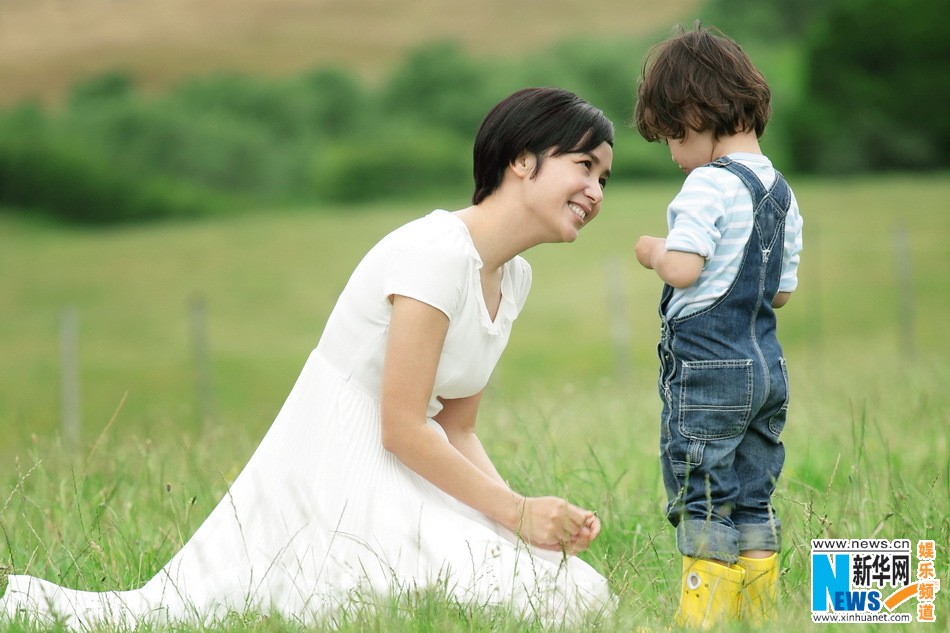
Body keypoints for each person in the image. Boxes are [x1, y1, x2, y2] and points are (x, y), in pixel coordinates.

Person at [0, 87, 616, 630]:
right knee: (536, 601)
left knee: (574, 591)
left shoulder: (513, 277)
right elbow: (402, 427)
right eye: (584, 167)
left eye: (605, 180)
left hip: (409, 465)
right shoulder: (436, 254)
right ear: (522, 159)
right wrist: (515, 512)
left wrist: (522, 523)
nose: (594, 192)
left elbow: (457, 426)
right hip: (339, 466)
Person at [632, 23, 803, 628]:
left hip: (709, 370)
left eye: (673, 137)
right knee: (753, 494)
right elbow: (780, 291)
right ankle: (759, 613)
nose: (676, 156)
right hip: (766, 368)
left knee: (703, 497)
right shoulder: (780, 189)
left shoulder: (708, 183)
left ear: (696, 113)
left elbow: (682, 269)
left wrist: (653, 248)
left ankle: (702, 619)